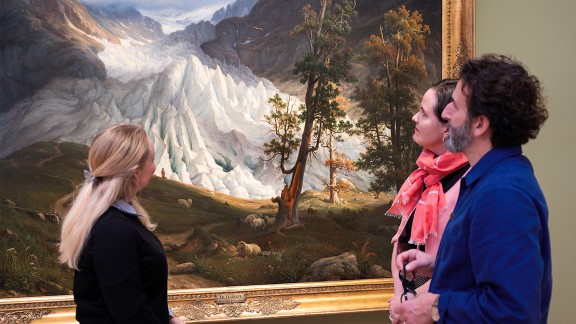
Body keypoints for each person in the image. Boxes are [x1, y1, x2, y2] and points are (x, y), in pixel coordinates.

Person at [391, 54, 551, 323]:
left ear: (479, 123)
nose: (445, 114)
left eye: (455, 105)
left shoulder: (503, 194)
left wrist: (433, 307)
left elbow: (514, 311)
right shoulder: (487, 179)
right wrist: (438, 264)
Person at [59, 124, 185, 323]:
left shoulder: (114, 220)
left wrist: (168, 317)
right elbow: (131, 315)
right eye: (152, 159)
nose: (154, 166)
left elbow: (131, 294)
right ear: (135, 172)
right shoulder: (114, 230)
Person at [386, 79, 470, 318]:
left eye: (423, 114)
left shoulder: (470, 182)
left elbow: (464, 265)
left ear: (447, 127)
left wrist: (413, 301)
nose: (414, 117)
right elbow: (401, 242)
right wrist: (402, 297)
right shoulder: (424, 174)